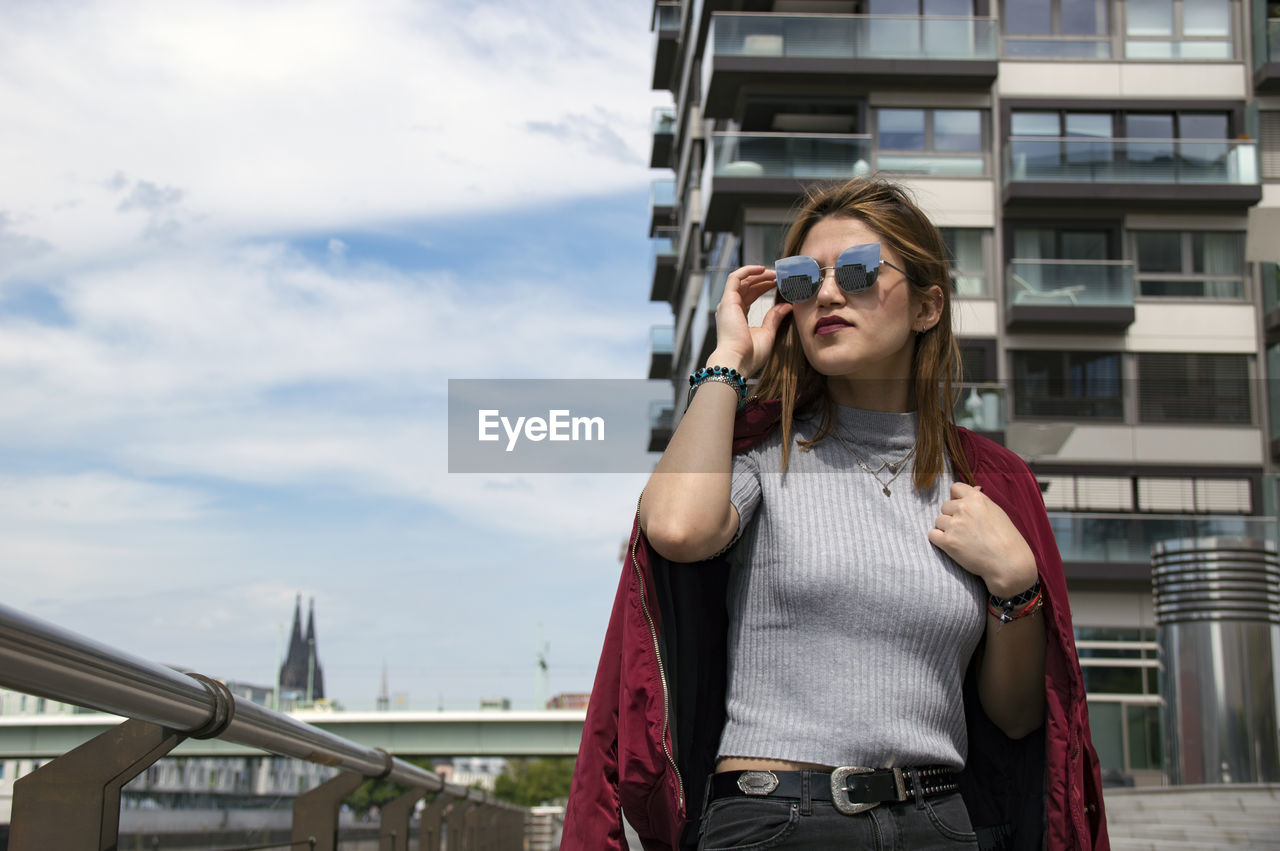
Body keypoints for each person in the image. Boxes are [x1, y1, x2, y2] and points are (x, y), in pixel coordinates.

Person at [564, 178, 1109, 850]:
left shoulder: (991, 486)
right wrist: (729, 360)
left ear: (928, 306)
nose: (824, 294)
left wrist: (1016, 583)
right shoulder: (764, 456)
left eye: (856, 271)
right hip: (776, 821)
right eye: (799, 279)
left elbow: (1020, 715)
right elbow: (675, 529)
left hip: (940, 822)